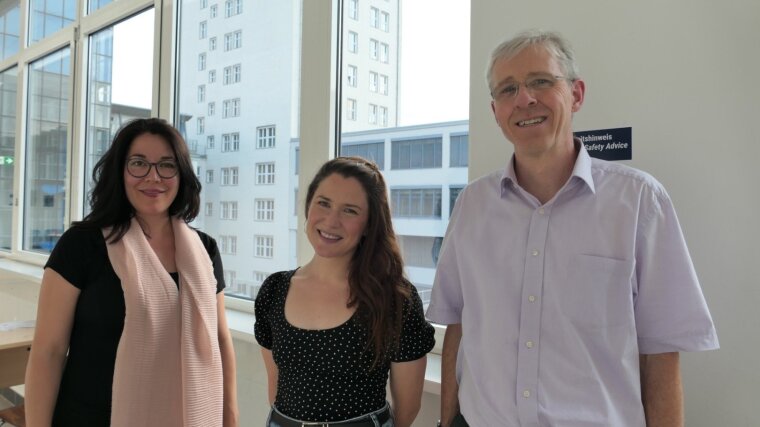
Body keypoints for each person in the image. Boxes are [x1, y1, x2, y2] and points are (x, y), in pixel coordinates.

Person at [426, 30, 719, 427]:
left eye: (541, 82)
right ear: (495, 112)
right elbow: (458, 325)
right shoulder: (471, 206)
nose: (524, 98)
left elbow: (661, 352)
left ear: (577, 94)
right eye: (507, 89)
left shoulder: (639, 203)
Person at [25, 118, 239, 426]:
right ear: (119, 172)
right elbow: (49, 351)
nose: (153, 177)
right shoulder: (82, 245)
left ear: (181, 175)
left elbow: (219, 339)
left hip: (186, 415)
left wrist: (230, 417)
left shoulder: (204, 251)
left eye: (167, 165)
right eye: (138, 163)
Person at [254, 157, 435, 427]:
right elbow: (277, 387)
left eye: (349, 211)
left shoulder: (394, 299)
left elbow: (407, 409)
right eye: (323, 203)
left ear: (369, 224)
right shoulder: (274, 290)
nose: (331, 220)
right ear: (308, 206)